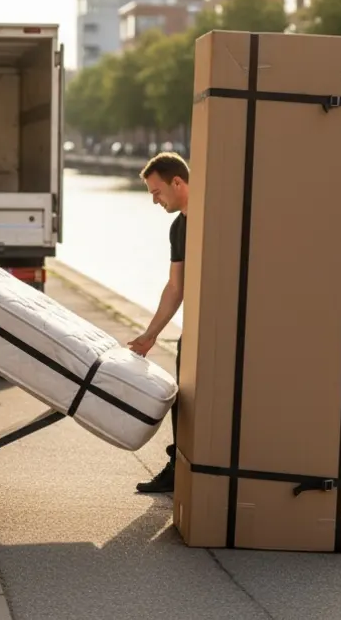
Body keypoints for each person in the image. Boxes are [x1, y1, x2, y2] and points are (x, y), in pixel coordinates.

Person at [127, 151, 190, 494]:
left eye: (156, 192)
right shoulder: (179, 227)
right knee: (186, 400)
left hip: (227, 329)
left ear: (177, 182)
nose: (155, 201)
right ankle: (179, 466)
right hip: (195, 332)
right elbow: (175, 287)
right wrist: (150, 335)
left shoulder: (213, 217)